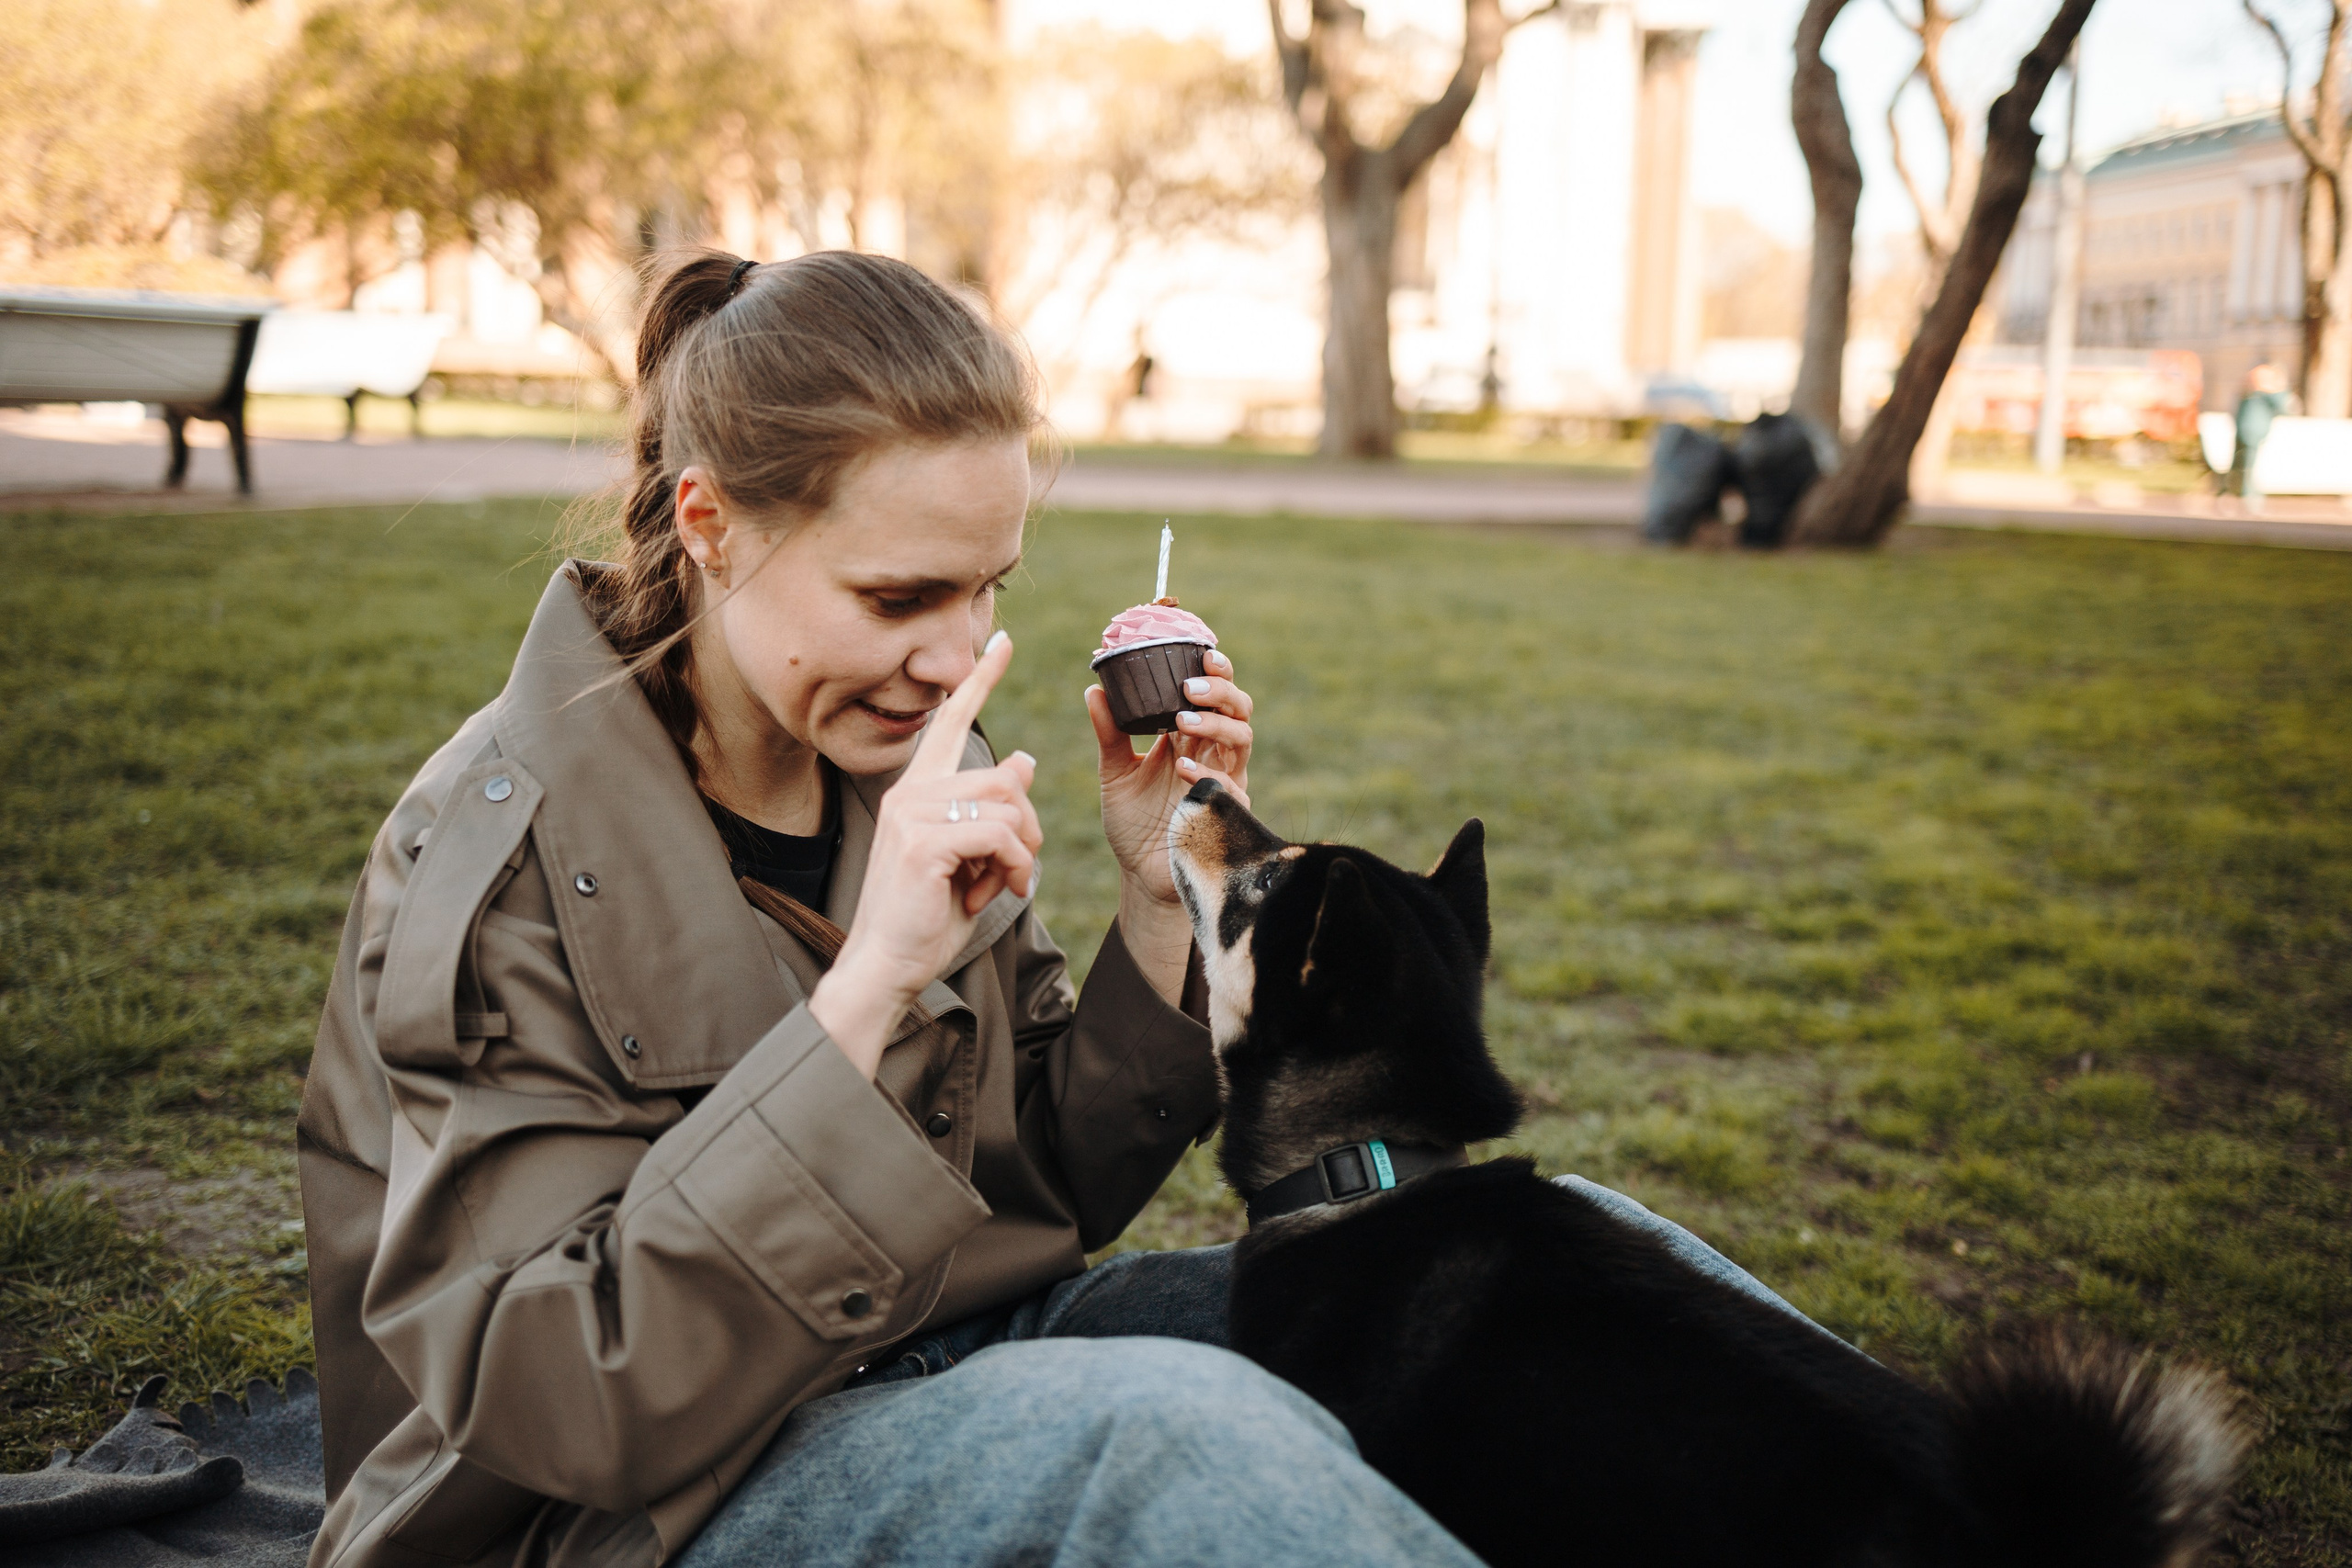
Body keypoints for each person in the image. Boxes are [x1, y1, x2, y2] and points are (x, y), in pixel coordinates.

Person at [296, 248, 1808, 1568]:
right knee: (1171, 1433)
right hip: (621, 1517)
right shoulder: (497, 857)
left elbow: (1042, 1197)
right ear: (710, 522)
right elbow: (555, 1392)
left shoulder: (884, 766)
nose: (962, 659)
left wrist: (1159, 898)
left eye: (990, 589)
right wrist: (868, 988)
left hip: (930, 1358)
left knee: (1528, 1256)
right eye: (901, 598)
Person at [2233, 361, 2296, 510]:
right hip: (2255, 432)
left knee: (2243, 465)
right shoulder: (2268, 393)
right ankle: (2250, 497)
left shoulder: (2249, 394)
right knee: (2250, 466)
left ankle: (2238, 493)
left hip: (2244, 431)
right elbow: (2288, 407)